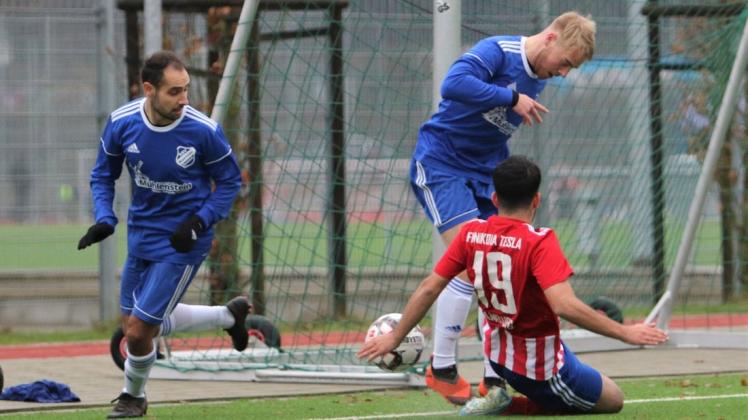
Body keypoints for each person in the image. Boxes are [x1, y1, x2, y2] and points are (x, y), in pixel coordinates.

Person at [363, 155, 669, 415]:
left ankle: (497, 389)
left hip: (500, 358)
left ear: (495, 199)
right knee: (614, 399)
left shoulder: (470, 234)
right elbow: (564, 305)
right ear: (536, 199)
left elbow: (429, 288)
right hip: (538, 370)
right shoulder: (540, 242)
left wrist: (395, 336)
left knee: (573, 362)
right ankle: (506, 405)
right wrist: (625, 332)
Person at [409, 11, 597, 404]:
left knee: (503, 265)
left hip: (484, 173)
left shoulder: (539, 77)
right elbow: (454, 84)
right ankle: (441, 368)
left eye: (571, 69)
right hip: (442, 165)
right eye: (565, 62)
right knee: (469, 259)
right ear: (550, 38)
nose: (564, 73)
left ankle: (494, 376)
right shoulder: (497, 51)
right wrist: (511, 97)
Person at [77, 51, 246, 418]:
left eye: (186, 90)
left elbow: (231, 181)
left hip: (184, 240)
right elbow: (103, 175)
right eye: (174, 92)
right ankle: (228, 317)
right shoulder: (122, 123)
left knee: (138, 333)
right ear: (149, 89)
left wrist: (200, 221)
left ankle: (133, 398)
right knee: (134, 326)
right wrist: (105, 218)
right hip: (142, 234)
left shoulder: (203, 130)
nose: (184, 99)